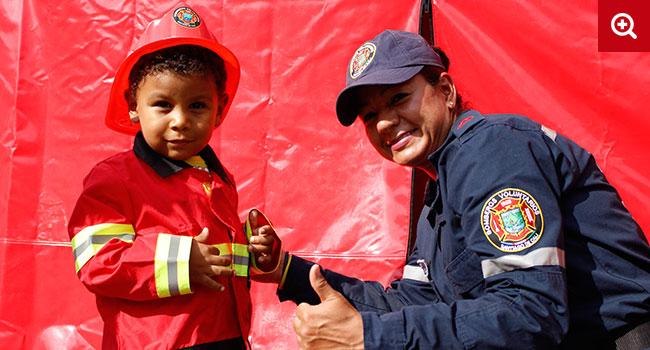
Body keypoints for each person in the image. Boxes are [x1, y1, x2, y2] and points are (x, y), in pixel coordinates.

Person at [266, 30, 650, 349]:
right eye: (370, 116)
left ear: (446, 91)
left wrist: (369, 337)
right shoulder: (440, 191)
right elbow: (412, 302)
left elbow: (532, 311)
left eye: (398, 98)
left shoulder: (491, 150)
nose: (383, 123)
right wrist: (287, 271)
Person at [67, 4, 281, 349]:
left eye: (197, 105)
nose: (180, 120)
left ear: (220, 109)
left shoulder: (219, 178)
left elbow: (221, 261)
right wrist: (182, 261)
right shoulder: (113, 179)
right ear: (133, 105)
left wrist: (257, 255)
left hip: (227, 336)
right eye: (163, 105)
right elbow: (98, 261)